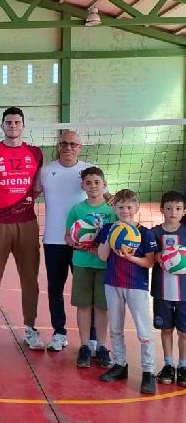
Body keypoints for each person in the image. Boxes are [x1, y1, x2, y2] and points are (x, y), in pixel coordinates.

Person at [35, 131, 111, 352]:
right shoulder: (46, 171)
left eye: (73, 144)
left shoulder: (88, 172)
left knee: (89, 290)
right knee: (55, 288)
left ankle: (93, 339)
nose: (68, 147)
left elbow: (108, 199)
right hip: (54, 240)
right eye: (64, 144)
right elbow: (32, 194)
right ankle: (59, 332)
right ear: (58, 146)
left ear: (80, 146)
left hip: (88, 244)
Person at [0, 107, 44, 353]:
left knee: (30, 279)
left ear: (23, 126)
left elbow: (37, 187)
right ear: (2, 125)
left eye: (17, 122)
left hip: (27, 222)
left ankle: (31, 328)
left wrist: (23, 202)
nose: (13, 125)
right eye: (8, 122)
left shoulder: (36, 153)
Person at [97, 189, 158, 394]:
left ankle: (148, 372)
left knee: (143, 331)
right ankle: (119, 365)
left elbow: (149, 262)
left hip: (136, 286)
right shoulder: (108, 228)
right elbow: (103, 257)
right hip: (112, 283)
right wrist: (111, 237)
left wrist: (131, 257)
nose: (125, 211)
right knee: (115, 327)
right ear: (114, 208)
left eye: (129, 207)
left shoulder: (144, 232)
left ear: (136, 208)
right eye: (121, 207)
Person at [64, 167, 115, 368]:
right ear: (82, 186)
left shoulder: (112, 210)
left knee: (102, 307)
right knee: (84, 305)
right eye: (88, 183)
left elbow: (119, 235)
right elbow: (67, 236)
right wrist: (74, 243)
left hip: (104, 265)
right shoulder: (77, 210)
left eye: (97, 182)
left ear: (104, 184)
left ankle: (102, 346)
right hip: (82, 263)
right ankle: (85, 346)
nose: (93, 186)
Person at [151, 191, 186, 386]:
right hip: (162, 290)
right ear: (162, 209)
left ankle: (183, 366)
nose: (173, 212)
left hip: (184, 292)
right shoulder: (155, 232)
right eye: (169, 208)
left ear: (184, 211)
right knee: (166, 329)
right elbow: (149, 257)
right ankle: (168, 364)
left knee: (184, 332)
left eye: (178, 208)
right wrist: (157, 257)